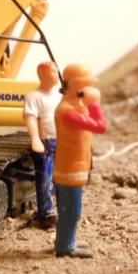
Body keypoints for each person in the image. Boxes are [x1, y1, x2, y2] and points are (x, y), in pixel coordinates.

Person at [53, 64, 107, 258]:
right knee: (71, 211)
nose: (90, 88)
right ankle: (65, 247)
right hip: (70, 172)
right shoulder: (68, 112)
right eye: (86, 84)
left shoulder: (75, 106)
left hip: (73, 168)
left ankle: (66, 241)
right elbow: (100, 126)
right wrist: (95, 104)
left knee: (67, 211)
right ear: (75, 85)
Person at [23, 61, 61, 228]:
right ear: (43, 75)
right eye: (53, 72)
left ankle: (62, 207)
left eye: (56, 71)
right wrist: (35, 139)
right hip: (47, 142)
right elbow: (30, 118)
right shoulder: (34, 96)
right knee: (46, 176)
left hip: (62, 140)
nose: (56, 74)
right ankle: (47, 212)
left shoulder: (59, 95)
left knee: (60, 177)